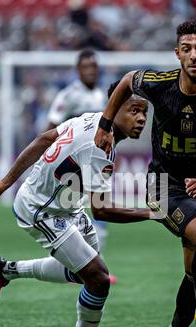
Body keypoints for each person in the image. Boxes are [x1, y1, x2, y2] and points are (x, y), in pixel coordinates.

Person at [94, 19, 196, 327]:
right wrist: (105, 123)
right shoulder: (160, 84)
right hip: (162, 183)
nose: (194, 55)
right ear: (177, 53)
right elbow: (129, 79)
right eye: (187, 49)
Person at [0, 83, 151, 327]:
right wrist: (154, 213)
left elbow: (45, 139)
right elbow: (103, 211)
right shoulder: (100, 147)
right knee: (99, 279)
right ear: (115, 108)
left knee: (86, 273)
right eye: (134, 110)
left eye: (144, 112)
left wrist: (7, 182)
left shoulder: (89, 118)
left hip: (68, 206)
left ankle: (4, 270)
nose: (141, 118)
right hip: (41, 210)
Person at [46, 48, 113, 281]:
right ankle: (87, 268)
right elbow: (51, 127)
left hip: (96, 163)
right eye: (86, 67)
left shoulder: (105, 96)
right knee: (78, 215)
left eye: (94, 67)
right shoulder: (67, 96)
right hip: (73, 165)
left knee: (100, 214)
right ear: (78, 70)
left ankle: (95, 268)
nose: (91, 71)